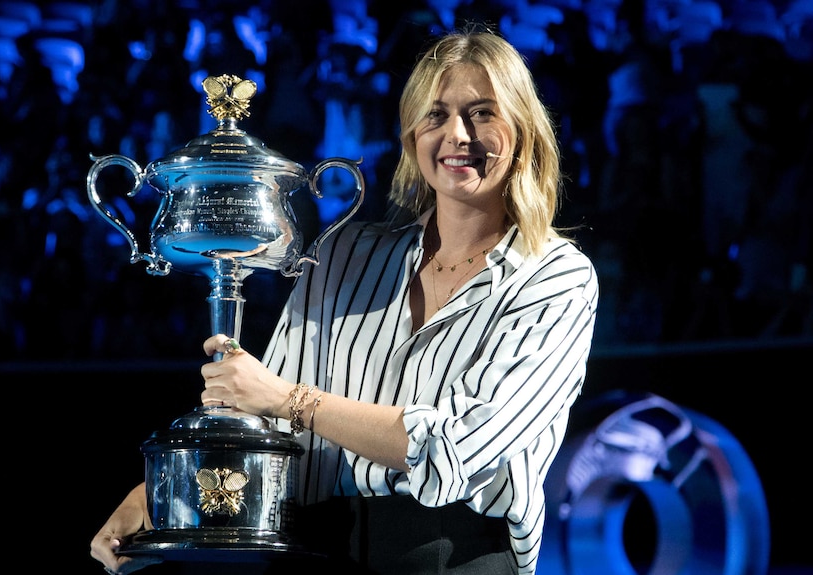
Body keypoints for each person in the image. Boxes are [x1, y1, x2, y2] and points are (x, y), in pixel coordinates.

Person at [91, 24, 599, 575]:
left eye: (482, 112)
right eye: (436, 114)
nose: (457, 134)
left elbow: (454, 449)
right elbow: (267, 421)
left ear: (523, 131)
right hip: (314, 549)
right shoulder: (345, 253)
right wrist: (158, 498)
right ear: (410, 137)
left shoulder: (556, 278)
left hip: (453, 555)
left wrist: (290, 399)